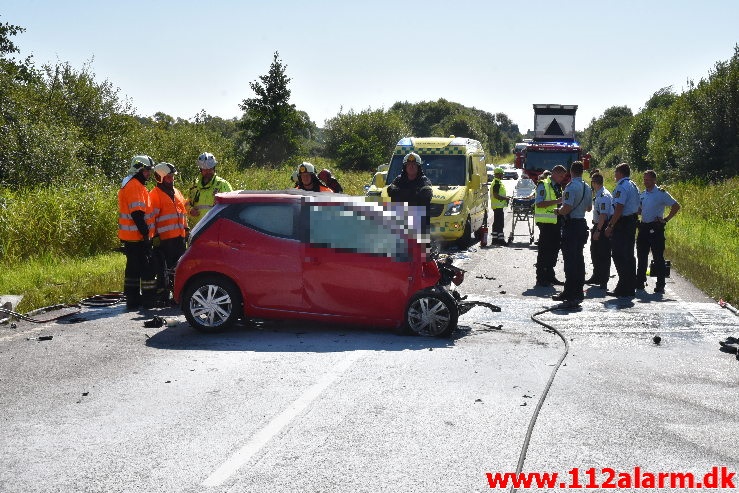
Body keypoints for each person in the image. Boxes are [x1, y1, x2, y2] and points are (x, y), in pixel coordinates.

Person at [118, 155, 157, 310]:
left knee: (133, 270)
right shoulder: (134, 186)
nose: (149, 174)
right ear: (139, 169)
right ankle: (147, 300)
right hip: (137, 238)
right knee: (147, 268)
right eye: (147, 170)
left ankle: (133, 300)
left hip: (132, 237)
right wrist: (146, 235)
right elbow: (137, 215)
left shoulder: (133, 184)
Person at [552, 161, 592, 304]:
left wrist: (558, 211)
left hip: (572, 225)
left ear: (571, 171)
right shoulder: (587, 187)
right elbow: (589, 208)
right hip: (582, 224)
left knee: (570, 261)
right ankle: (578, 291)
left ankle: (570, 292)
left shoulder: (570, 186)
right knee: (579, 260)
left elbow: (567, 208)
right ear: (582, 172)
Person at [636, 170, 681, 294]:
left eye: (648, 180)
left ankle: (660, 285)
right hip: (644, 227)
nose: (646, 182)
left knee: (658, 258)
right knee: (641, 256)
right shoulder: (643, 194)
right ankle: (640, 281)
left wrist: (665, 219)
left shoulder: (661, 193)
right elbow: (640, 210)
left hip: (656, 228)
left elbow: (676, 206)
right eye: (644, 179)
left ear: (654, 180)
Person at [149, 162, 188, 303]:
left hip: (180, 238)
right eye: (168, 178)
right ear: (159, 178)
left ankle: (179, 294)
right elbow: (151, 218)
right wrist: (154, 237)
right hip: (165, 240)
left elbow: (183, 212)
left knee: (180, 268)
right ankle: (164, 295)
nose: (171, 180)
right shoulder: (154, 195)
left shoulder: (177, 192)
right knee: (164, 270)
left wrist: (186, 229)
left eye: (172, 177)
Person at [604, 162, 640, 297]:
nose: (614, 175)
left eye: (615, 172)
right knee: (629, 255)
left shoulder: (622, 187)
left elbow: (619, 208)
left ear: (620, 173)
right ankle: (630, 286)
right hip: (631, 221)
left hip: (623, 223)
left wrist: (610, 225)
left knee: (619, 255)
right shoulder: (633, 185)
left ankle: (623, 287)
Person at [534, 165, 566, 287]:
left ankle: (550, 276)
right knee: (544, 251)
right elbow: (540, 203)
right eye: (561, 176)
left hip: (556, 222)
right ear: (555, 173)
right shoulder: (544, 184)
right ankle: (541, 277)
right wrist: (557, 202)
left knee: (554, 250)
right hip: (546, 223)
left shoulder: (557, 186)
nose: (562, 178)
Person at [387, 152, 433, 233]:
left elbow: (427, 194)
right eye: (408, 164)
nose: (411, 167)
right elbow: (391, 190)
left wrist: (403, 194)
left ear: (418, 167)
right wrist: (413, 194)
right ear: (405, 167)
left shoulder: (424, 180)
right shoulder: (399, 179)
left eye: (414, 164)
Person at [186, 152, 233, 225]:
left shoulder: (222, 184)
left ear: (214, 168)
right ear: (200, 170)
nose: (207, 172)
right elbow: (187, 203)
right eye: (205, 169)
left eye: (210, 169)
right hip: (197, 228)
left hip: (216, 227)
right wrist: (190, 210)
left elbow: (231, 206)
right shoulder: (194, 186)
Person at [585, 173, 613, 289]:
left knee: (603, 254)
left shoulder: (603, 196)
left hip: (601, 225)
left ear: (594, 183)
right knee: (595, 252)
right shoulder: (599, 194)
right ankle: (596, 276)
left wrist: (598, 230)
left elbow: (603, 215)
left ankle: (603, 279)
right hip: (598, 225)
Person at [490, 167, 510, 245]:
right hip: (498, 206)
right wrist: (506, 198)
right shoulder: (497, 183)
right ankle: (500, 240)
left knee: (496, 223)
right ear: (498, 174)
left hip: (497, 206)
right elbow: (496, 195)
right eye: (502, 174)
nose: (503, 175)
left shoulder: (496, 182)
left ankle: (495, 239)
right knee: (499, 223)